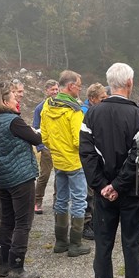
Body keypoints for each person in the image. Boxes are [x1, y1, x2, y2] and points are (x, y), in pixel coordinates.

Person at [80, 63, 139, 278]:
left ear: (110, 83)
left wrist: (101, 186)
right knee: (131, 246)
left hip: (105, 193)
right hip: (129, 191)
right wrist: (114, 185)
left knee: (103, 244)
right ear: (130, 83)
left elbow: (86, 154)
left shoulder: (92, 113)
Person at [0, 85, 43, 278]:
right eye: (12, 99)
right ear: (5, 102)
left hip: (3, 176)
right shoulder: (14, 121)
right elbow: (36, 139)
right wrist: (37, 130)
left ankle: (4, 265)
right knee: (23, 222)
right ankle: (17, 268)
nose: (16, 102)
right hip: (21, 177)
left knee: (7, 221)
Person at [40, 71, 90, 257]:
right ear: (70, 86)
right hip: (75, 161)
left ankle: (60, 242)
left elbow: (44, 135)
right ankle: (75, 244)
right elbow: (79, 140)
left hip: (58, 159)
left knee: (61, 200)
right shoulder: (74, 109)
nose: (80, 88)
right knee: (78, 200)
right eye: (79, 85)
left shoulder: (48, 104)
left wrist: (55, 148)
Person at [80, 83, 108, 241]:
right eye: (102, 98)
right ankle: (87, 224)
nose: (105, 100)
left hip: (97, 157)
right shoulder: (85, 112)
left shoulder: (96, 110)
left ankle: (96, 221)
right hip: (88, 158)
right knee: (87, 193)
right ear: (92, 99)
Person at [32, 79, 58, 214]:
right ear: (46, 91)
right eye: (52, 89)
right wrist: (41, 147)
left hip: (60, 148)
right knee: (44, 175)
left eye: (56, 89)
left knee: (60, 176)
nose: (55, 92)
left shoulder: (62, 106)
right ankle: (37, 201)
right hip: (47, 148)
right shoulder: (40, 108)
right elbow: (36, 128)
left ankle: (57, 201)